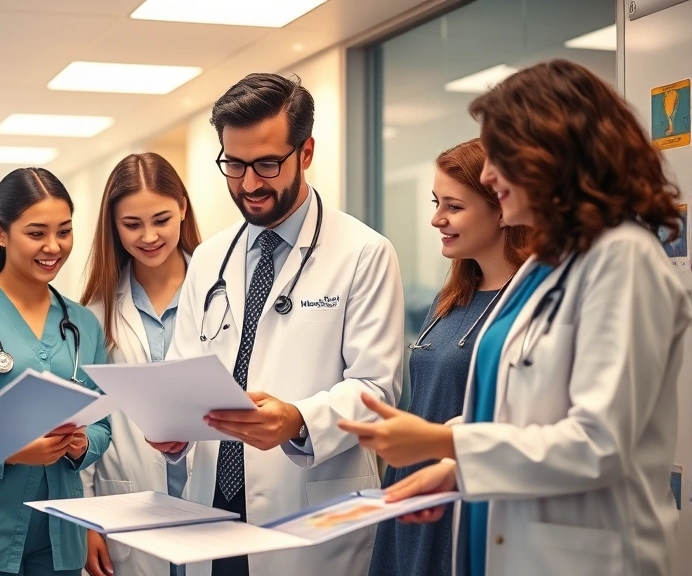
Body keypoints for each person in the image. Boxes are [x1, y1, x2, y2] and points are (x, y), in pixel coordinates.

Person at [339, 59, 691, 576]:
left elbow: (598, 444)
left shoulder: (624, 258)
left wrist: (443, 441)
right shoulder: (550, 265)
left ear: (551, 153)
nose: (487, 174)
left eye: (501, 155)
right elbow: (520, 411)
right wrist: (455, 468)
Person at [147, 73, 405, 576]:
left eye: (266, 163)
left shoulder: (363, 253)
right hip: (212, 516)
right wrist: (172, 428)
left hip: (308, 516)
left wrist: (298, 420)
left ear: (305, 153)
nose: (248, 184)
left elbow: (378, 389)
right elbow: (181, 371)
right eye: (233, 164)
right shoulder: (208, 257)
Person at [0, 167, 111, 576]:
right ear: (0, 232)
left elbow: (104, 420)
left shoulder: (82, 322)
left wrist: (83, 444)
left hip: (62, 531)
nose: (54, 246)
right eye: (36, 233)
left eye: (64, 231)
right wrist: (8, 450)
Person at [368, 138, 527, 576]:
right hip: (411, 490)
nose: (437, 219)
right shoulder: (452, 297)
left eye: (453, 207)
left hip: (466, 498)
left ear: (501, 208)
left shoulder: (526, 305)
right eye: (437, 203)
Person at [80, 152, 202, 576]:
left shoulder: (225, 297)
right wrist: (88, 521)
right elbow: (86, 422)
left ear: (183, 209)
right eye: (131, 224)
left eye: (162, 219)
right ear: (113, 225)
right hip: (126, 507)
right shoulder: (95, 314)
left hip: (208, 495)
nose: (149, 236)